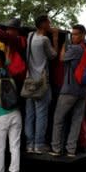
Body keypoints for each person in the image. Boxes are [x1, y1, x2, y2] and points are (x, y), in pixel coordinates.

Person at [50, 24, 86, 157]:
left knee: (58, 119)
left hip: (69, 90)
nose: (73, 36)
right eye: (72, 34)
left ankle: (56, 149)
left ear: (83, 35)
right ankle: (70, 150)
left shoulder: (75, 49)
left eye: (76, 34)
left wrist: (63, 45)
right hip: (83, 91)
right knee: (76, 121)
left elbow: (61, 58)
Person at [24, 15, 58, 153]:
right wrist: (55, 38)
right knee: (41, 114)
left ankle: (29, 144)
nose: (50, 25)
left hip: (29, 81)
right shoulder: (44, 40)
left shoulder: (30, 36)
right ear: (43, 24)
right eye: (49, 22)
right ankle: (39, 144)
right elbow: (53, 55)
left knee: (29, 114)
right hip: (41, 82)